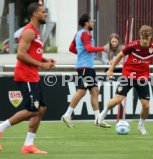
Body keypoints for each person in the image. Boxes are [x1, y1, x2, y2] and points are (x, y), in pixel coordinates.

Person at [96, 25, 153, 135]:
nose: (144, 41)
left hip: (142, 78)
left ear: (151, 37)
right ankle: (102, 115)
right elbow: (119, 56)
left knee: (146, 105)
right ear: (140, 36)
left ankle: (141, 126)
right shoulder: (132, 46)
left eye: (146, 38)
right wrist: (111, 70)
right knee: (117, 100)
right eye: (142, 38)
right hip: (128, 75)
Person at [0, 2, 55, 154]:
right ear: (34, 14)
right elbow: (20, 54)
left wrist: (43, 60)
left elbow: (32, 52)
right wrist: (41, 65)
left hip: (33, 75)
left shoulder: (37, 32)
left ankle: (28, 145)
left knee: (41, 108)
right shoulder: (29, 31)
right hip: (25, 76)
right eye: (43, 12)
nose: (46, 14)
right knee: (32, 109)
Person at [61, 13, 110, 128]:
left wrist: (81, 54)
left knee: (95, 91)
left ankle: (98, 119)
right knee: (82, 91)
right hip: (85, 67)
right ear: (86, 23)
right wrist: (102, 48)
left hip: (87, 67)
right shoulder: (85, 34)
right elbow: (88, 48)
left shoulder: (79, 34)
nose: (93, 23)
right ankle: (67, 115)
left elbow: (71, 48)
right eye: (91, 21)